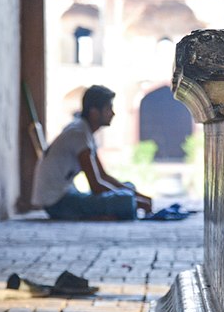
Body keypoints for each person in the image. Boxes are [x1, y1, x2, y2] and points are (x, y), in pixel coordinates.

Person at [31, 85, 152, 220]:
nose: (113, 113)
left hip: (67, 194)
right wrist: (136, 201)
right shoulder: (79, 134)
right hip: (57, 202)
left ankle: (106, 213)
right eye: (108, 109)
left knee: (129, 188)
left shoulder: (85, 131)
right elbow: (96, 185)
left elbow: (103, 176)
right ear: (94, 112)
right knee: (125, 201)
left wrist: (137, 195)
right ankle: (102, 214)